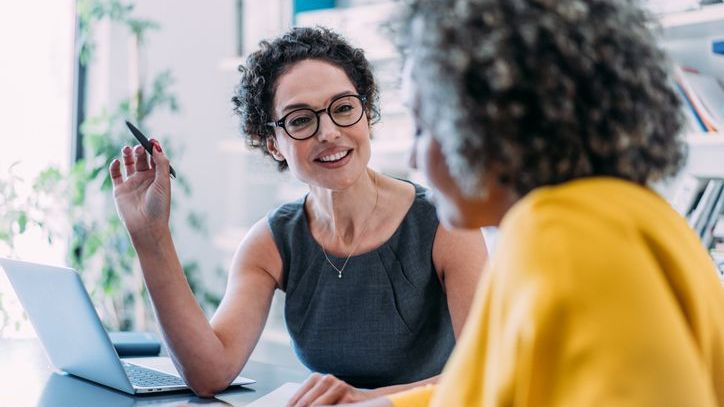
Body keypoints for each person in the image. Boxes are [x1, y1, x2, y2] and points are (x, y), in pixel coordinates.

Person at [338, 0, 724, 406]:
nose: (414, 158)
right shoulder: (632, 214)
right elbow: (497, 385)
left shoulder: (561, 235)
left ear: (485, 121)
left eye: (422, 126)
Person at [108, 26, 487, 402]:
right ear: (273, 143)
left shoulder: (446, 224)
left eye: (343, 109)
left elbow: (488, 373)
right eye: (301, 119)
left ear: (367, 114)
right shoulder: (271, 242)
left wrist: (367, 401)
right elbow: (209, 372)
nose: (329, 132)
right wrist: (150, 234)